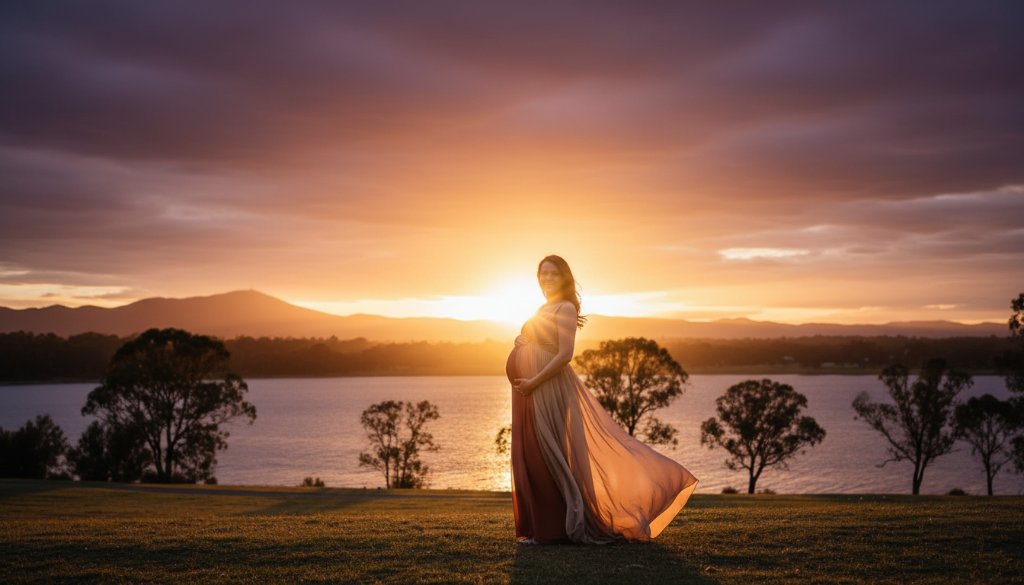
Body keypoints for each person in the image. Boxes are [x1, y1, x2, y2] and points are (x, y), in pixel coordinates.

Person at [506, 254, 698, 544]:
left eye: (553, 274)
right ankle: (538, 527)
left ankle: (552, 529)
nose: (546, 278)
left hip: (546, 386)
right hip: (528, 390)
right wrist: (522, 343)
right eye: (542, 273)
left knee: (548, 455)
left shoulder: (566, 308)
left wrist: (534, 380)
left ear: (565, 278)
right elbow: (539, 340)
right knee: (531, 454)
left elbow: (565, 354)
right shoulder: (543, 307)